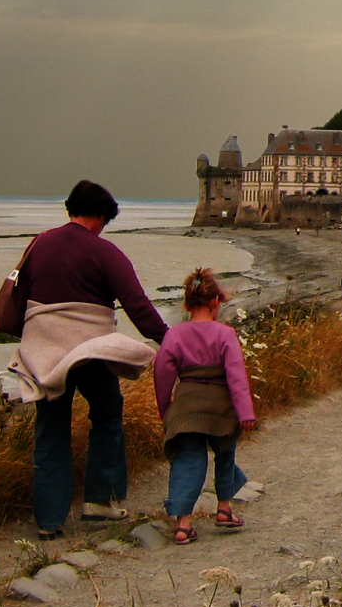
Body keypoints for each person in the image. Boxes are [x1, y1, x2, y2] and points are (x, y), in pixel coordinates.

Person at [13, 181, 166, 538]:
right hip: (91, 351)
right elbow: (138, 306)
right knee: (108, 414)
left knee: (51, 429)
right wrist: (170, 339)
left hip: (45, 352)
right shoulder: (105, 253)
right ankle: (98, 501)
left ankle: (49, 521)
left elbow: (20, 295)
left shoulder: (39, 245)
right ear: (99, 215)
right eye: (104, 221)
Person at [155, 268, 257, 545]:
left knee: (187, 459)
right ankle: (224, 508)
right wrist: (245, 412)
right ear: (216, 302)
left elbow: (162, 374)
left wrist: (166, 409)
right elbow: (236, 376)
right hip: (221, 408)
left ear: (187, 304)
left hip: (187, 407)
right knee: (225, 450)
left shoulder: (174, 335)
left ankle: (182, 523)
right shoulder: (225, 334)